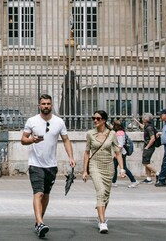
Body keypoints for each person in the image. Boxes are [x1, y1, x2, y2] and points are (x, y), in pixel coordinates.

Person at [21, 94, 76, 239]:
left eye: (48, 104)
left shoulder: (59, 122)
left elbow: (66, 140)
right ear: (39, 105)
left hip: (51, 165)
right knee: (38, 193)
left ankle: (39, 221)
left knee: (45, 195)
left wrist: (70, 157)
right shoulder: (32, 121)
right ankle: (40, 223)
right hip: (35, 164)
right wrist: (32, 139)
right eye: (43, 104)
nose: (46, 106)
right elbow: (23, 140)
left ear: (51, 105)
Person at [83, 110, 124, 234]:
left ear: (104, 120)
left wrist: (122, 169)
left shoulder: (112, 134)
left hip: (108, 167)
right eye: (93, 118)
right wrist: (85, 170)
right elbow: (86, 152)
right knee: (100, 192)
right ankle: (102, 222)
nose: (95, 120)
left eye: (98, 118)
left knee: (106, 195)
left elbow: (117, 152)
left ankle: (100, 212)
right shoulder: (90, 134)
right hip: (95, 166)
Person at [110, 118, 138, 188]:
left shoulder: (119, 133)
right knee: (115, 167)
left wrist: (117, 154)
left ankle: (134, 181)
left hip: (120, 153)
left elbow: (120, 145)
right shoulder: (121, 132)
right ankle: (113, 181)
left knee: (123, 167)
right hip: (120, 153)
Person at [134, 113, 158, 183]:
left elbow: (152, 139)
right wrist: (137, 122)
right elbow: (142, 126)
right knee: (146, 162)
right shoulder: (147, 126)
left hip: (149, 147)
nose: (142, 119)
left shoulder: (149, 128)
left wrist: (147, 147)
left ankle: (158, 173)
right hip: (148, 147)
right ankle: (148, 178)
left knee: (145, 163)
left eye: (143, 118)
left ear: (146, 119)